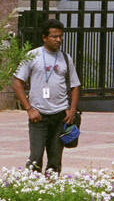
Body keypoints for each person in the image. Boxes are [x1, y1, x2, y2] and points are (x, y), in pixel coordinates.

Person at [12, 18, 80, 174]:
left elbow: (75, 86)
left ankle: (52, 188)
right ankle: (32, 189)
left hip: (60, 116)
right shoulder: (33, 56)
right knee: (35, 158)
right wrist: (29, 109)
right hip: (39, 116)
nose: (58, 40)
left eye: (60, 37)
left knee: (55, 160)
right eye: (54, 36)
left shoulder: (65, 58)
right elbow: (17, 82)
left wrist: (72, 110)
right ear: (44, 37)